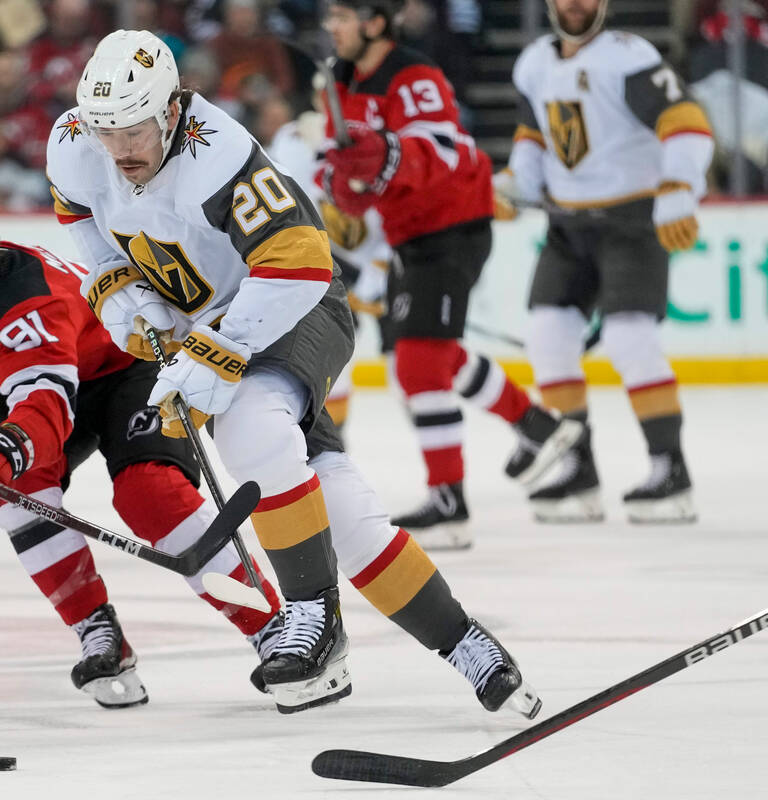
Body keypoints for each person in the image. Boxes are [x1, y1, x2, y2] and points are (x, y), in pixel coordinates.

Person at [47, 28, 543, 718]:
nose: (121, 149)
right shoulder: (76, 142)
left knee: (251, 427)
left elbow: (301, 264)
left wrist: (213, 351)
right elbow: (81, 221)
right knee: (337, 506)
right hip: (211, 320)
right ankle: (468, 645)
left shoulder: (215, 154)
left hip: (293, 303)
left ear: (170, 110)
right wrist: (119, 291)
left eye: (134, 129)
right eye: (108, 131)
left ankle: (314, 619)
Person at [0, 192, 284, 708]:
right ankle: (100, 633)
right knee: (15, 492)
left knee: (151, 495)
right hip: (47, 385)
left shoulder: (30, 301)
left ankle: (273, 627)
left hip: (125, 368)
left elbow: (47, 406)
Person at [319, 0, 584, 548]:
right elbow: (337, 161)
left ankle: (451, 500)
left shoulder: (413, 75)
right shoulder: (339, 82)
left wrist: (384, 156)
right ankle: (539, 426)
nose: (332, 27)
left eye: (342, 17)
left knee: (418, 364)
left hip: (452, 222)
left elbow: (443, 146)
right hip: (407, 234)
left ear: (375, 22)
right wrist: (343, 185)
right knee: (425, 357)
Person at [491, 0, 712, 523]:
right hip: (567, 225)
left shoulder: (628, 56)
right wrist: (516, 185)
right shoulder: (534, 64)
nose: (574, 4)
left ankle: (670, 470)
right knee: (548, 337)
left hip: (631, 221)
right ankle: (578, 469)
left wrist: (680, 184)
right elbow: (534, 135)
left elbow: (686, 121)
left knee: (630, 338)